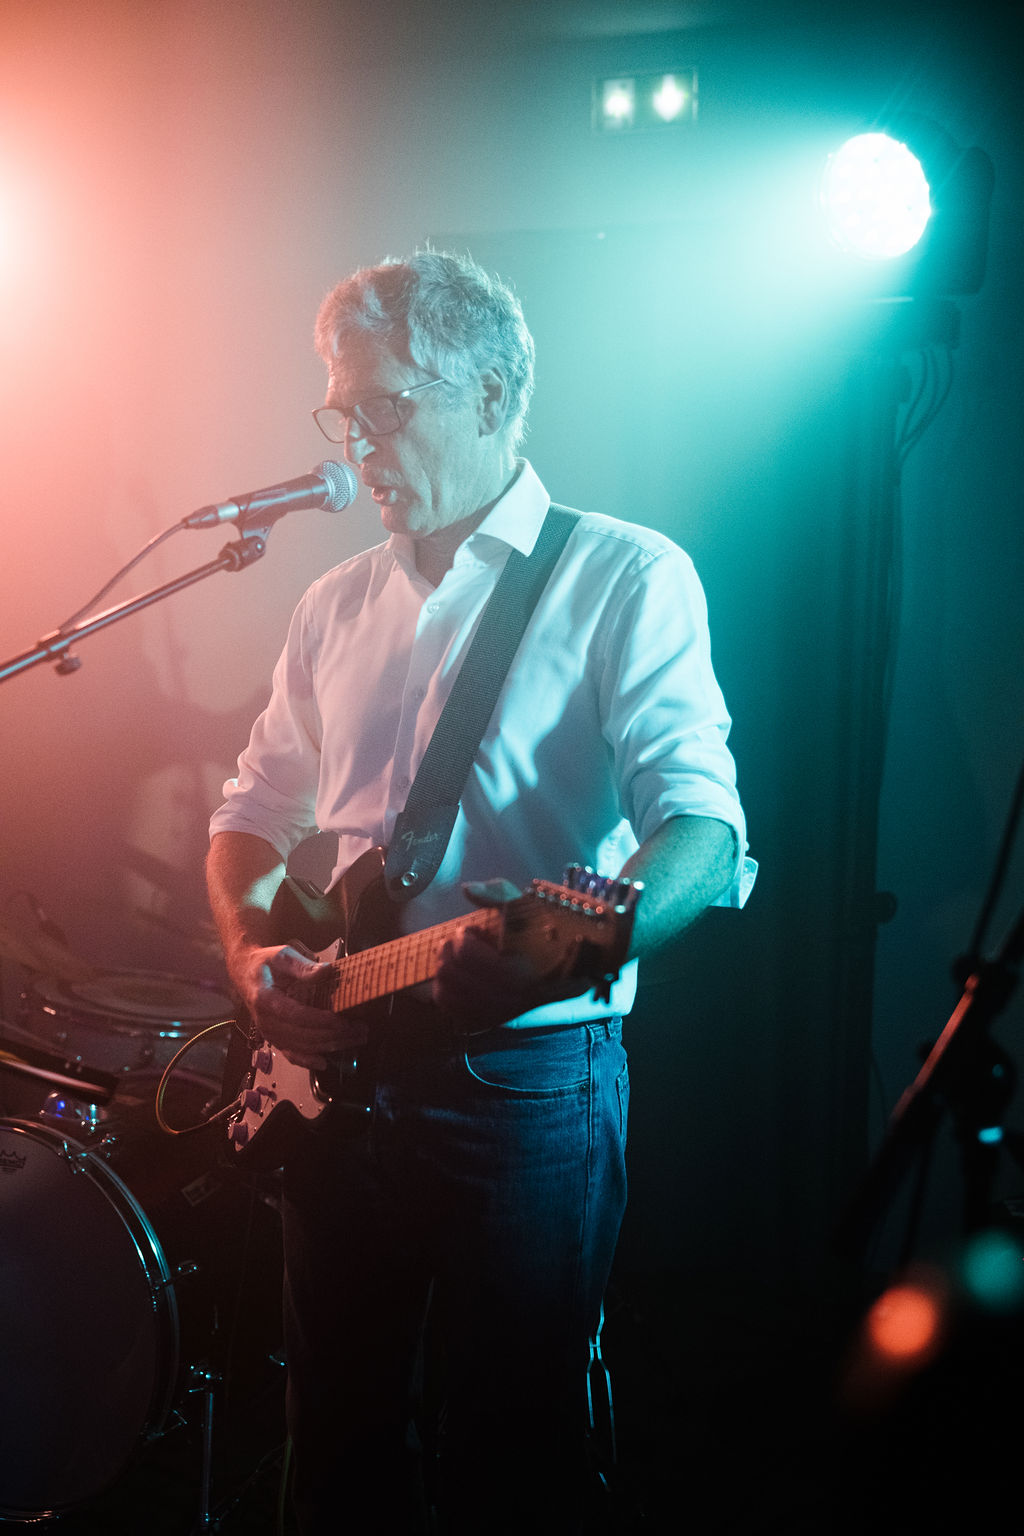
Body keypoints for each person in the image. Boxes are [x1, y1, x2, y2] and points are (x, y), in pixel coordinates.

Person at [206, 249, 753, 1535]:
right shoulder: (331, 602)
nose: (359, 443)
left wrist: (584, 939)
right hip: (335, 1071)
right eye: (343, 412)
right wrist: (250, 962)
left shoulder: (625, 574)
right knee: (331, 1436)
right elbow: (250, 816)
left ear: (496, 391)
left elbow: (707, 831)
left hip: (525, 1087)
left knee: (516, 1451)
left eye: (388, 405)